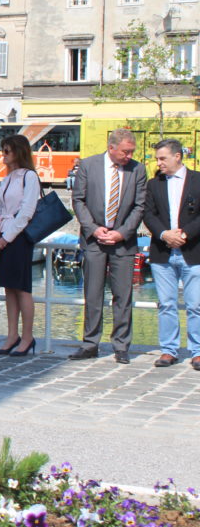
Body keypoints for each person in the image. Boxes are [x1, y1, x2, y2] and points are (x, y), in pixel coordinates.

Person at [69, 128, 147, 364]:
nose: (129, 156)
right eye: (125, 151)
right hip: (94, 240)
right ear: (111, 147)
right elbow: (78, 200)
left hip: (123, 242)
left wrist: (121, 233)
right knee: (92, 294)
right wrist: (93, 228)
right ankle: (90, 343)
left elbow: (139, 206)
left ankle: (121, 345)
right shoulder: (89, 166)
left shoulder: (138, 169)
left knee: (122, 296)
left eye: (132, 151)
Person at [143, 139, 200, 371]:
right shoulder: (153, 184)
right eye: (157, 158)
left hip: (192, 251)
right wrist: (165, 234)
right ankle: (168, 350)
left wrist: (184, 234)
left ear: (177, 156)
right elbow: (148, 213)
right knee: (166, 304)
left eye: (162, 158)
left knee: (196, 305)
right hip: (163, 252)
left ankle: (197, 351)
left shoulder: (198, 180)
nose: (159, 163)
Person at [0, 135, 40, 356]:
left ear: (18, 152)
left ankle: (27, 336)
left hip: (18, 237)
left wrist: (7, 236)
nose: (3, 155)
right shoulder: (7, 178)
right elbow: (0, 208)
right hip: (4, 236)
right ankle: (12, 335)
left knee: (22, 288)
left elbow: (26, 212)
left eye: (7, 151)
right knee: (9, 287)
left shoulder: (29, 177)